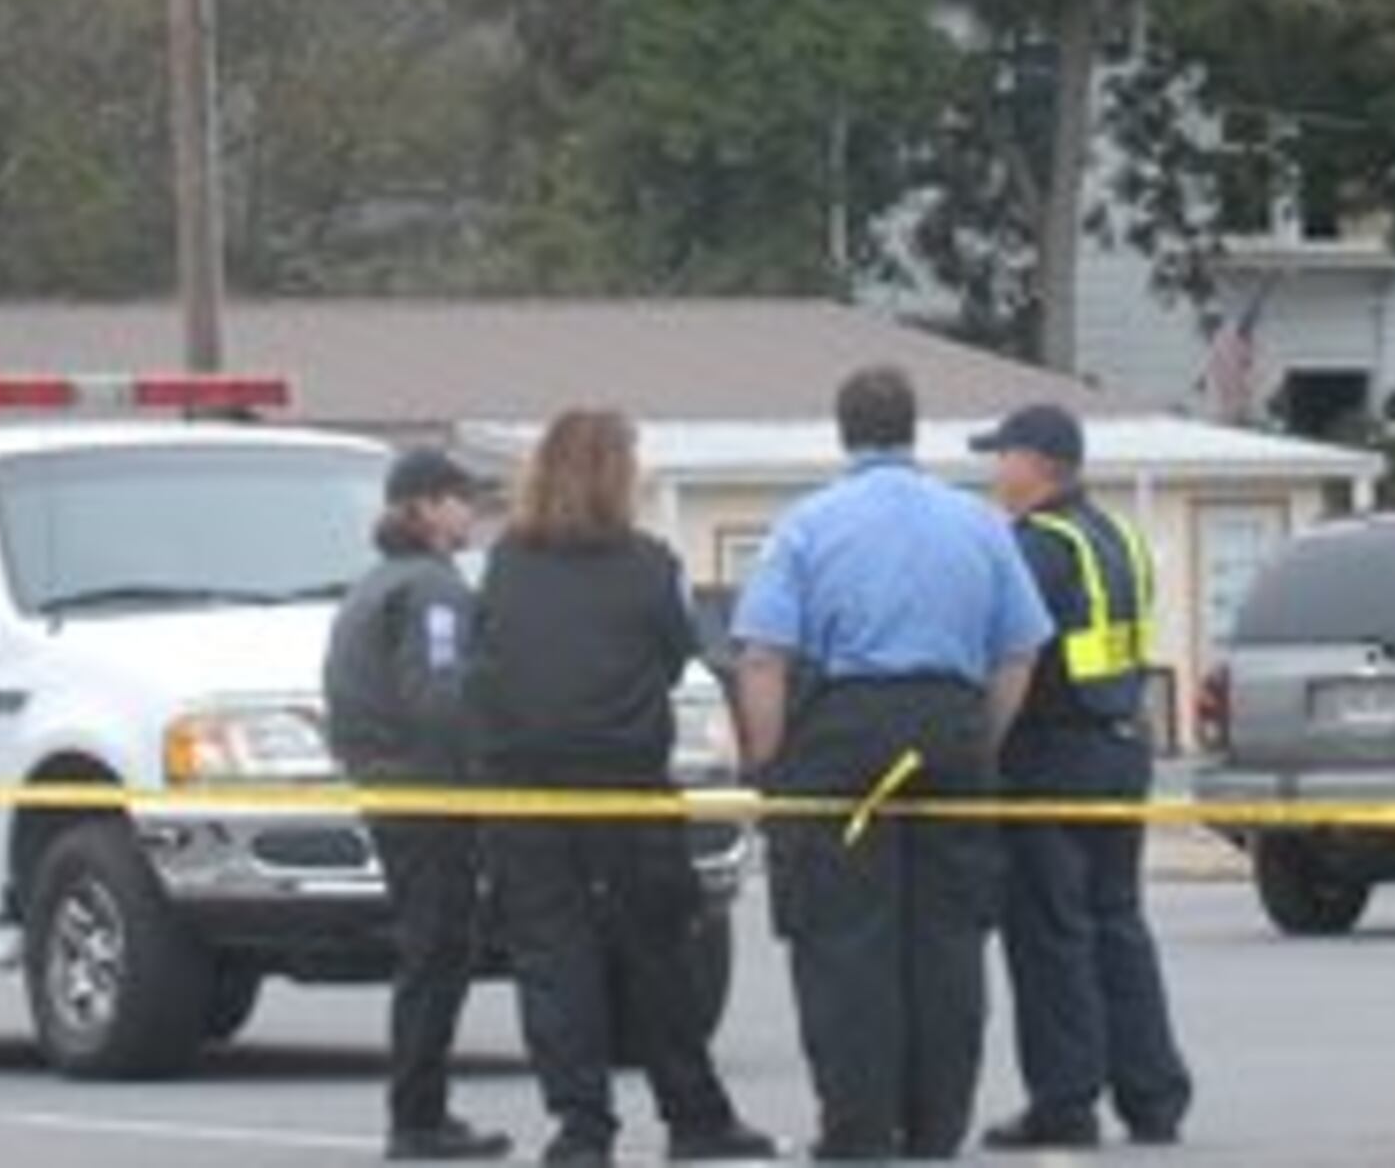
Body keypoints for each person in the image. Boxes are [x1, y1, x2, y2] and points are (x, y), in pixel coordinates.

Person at [730, 364, 1047, 1164]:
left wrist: (767, 762)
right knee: (948, 941)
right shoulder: (979, 522)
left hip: (845, 738)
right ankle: (936, 1128)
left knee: (845, 945)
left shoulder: (806, 525)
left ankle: (859, 1132)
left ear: (844, 432)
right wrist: (980, 740)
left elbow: (763, 656)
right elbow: (1018, 651)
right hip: (950, 729)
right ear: (913, 427)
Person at [468, 408, 780, 1168]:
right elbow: (680, 657)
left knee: (553, 957)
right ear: (619, 475)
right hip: (626, 784)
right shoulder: (650, 563)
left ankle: (581, 1127)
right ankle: (695, 1117)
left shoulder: (505, 560)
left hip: (526, 791)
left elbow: (484, 660)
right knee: (660, 952)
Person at [970, 403, 1193, 1152]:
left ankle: (1064, 1102)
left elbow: (1010, 652)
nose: (995, 469)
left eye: (1003, 455)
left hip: (1049, 753)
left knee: (1050, 935)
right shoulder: (1117, 534)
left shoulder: (1035, 546)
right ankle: (1153, 1094)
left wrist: (981, 745)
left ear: (1038, 463)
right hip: (1119, 745)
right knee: (1117, 923)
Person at [325, 446, 513, 1162]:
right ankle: (417, 1120)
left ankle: (422, 1112)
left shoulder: (374, 583)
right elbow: (440, 697)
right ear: (428, 506)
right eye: (463, 497)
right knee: (437, 952)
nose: (473, 511)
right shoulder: (433, 590)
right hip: (429, 794)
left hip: (386, 786)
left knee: (429, 949)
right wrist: (477, 782)